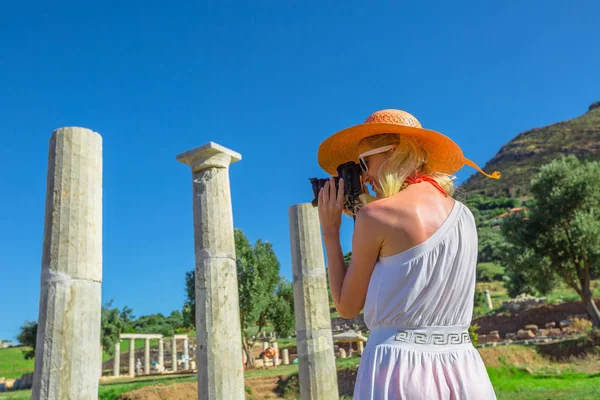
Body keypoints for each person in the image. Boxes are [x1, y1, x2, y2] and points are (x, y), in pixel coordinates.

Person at [316, 109, 499, 399]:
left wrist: (330, 232)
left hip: (398, 371)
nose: (364, 176)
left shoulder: (375, 216)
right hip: (464, 369)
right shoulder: (465, 216)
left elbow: (347, 306)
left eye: (365, 162)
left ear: (393, 153)